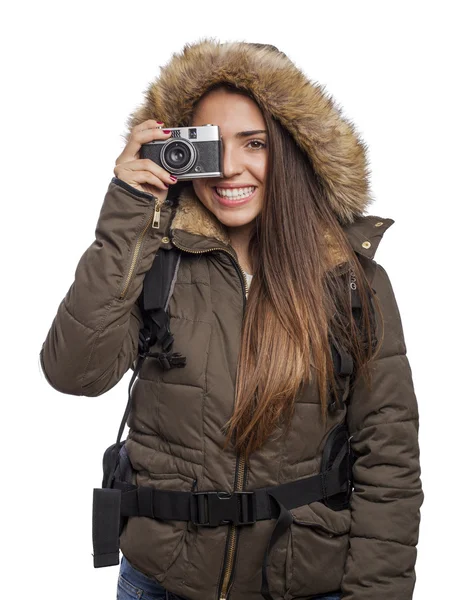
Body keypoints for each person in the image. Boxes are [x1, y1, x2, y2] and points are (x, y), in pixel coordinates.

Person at [40, 39, 424, 600]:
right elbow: (73, 372)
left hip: (305, 584)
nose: (230, 168)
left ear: (294, 150)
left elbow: (389, 459)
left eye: (255, 143)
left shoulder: (349, 282)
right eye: (209, 146)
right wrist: (128, 209)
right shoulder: (154, 260)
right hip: (160, 581)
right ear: (178, 149)